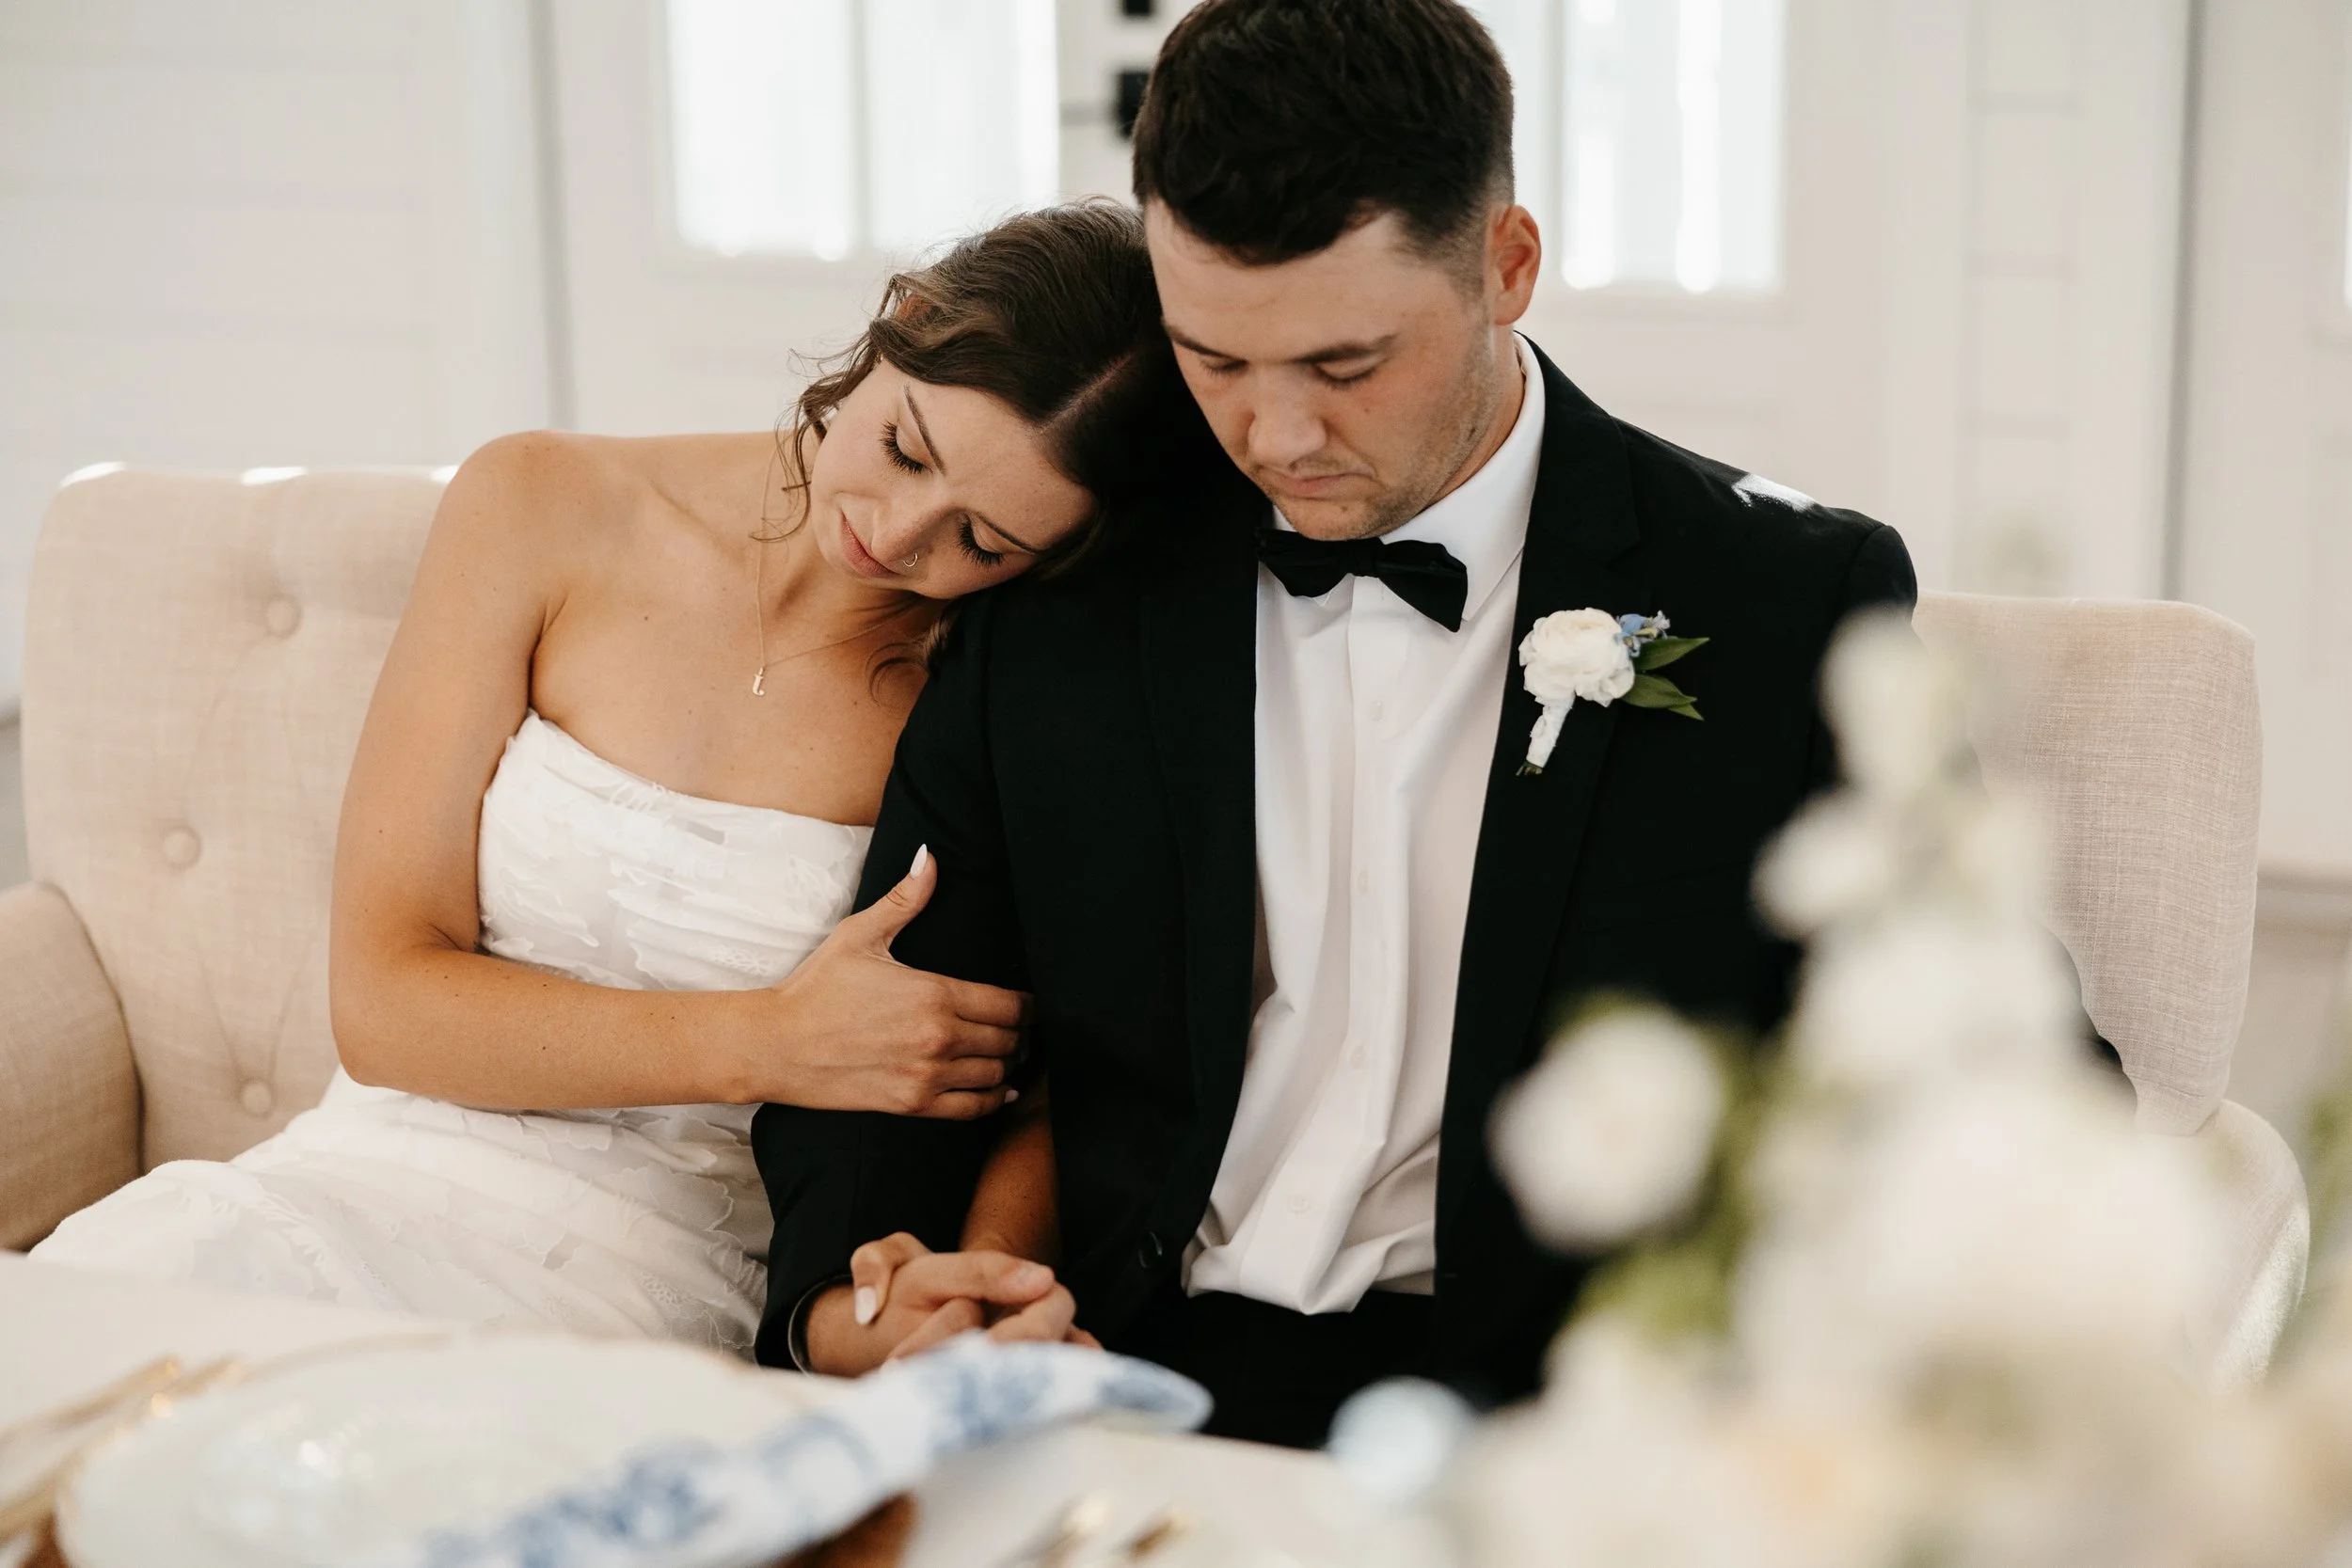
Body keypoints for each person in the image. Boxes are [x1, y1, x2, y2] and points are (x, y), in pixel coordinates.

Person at [750, 0, 1927, 1445]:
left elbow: (1974, 1056)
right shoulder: (1073, 572)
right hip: (1118, 1374)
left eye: (1346, 366)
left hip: (1565, 1424)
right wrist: (853, 1309)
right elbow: (903, 1020)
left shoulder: (1780, 601)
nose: (1273, 437)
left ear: (1508, 265)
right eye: (1214, 360)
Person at [31, 203, 1209, 1357]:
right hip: (346, 1187)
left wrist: (950, 1294)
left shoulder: (994, 696)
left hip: (654, 1282)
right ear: (898, 320)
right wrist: (767, 1040)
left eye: (983, 543)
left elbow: (1051, 1079)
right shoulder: (537, 504)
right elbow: (383, 1003)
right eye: (905, 447)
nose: (899, 539)